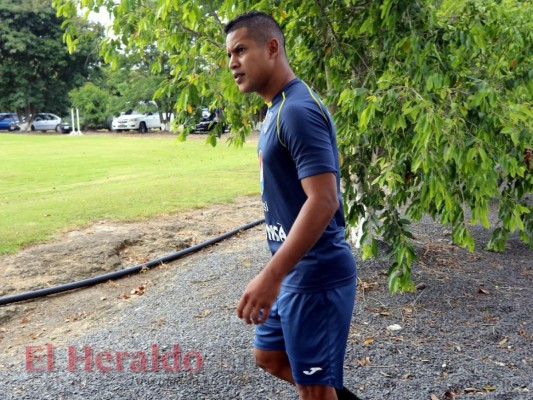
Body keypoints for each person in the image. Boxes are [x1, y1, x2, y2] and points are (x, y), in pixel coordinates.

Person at [225, 11, 362, 400]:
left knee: (315, 391)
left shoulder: (297, 111)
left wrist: (271, 276)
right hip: (294, 272)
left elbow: (324, 199)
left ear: (272, 48)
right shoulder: (277, 107)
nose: (232, 63)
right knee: (269, 356)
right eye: (229, 54)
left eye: (240, 50)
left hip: (315, 273)